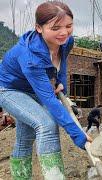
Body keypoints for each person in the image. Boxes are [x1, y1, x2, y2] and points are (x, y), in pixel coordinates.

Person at [0, 1, 92, 179]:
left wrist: (60, 80)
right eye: (56, 28)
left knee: (24, 139)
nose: (64, 32)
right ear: (39, 28)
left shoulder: (66, 41)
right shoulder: (29, 57)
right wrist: (77, 134)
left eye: (69, 26)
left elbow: (62, 61)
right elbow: (50, 101)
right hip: (8, 90)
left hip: (34, 89)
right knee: (46, 124)